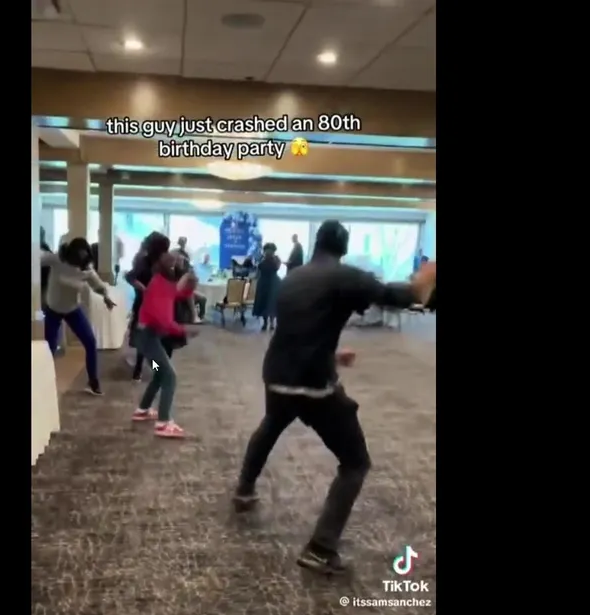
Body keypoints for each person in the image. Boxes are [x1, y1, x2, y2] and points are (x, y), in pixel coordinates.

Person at [233, 220, 437, 575]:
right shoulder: (345, 276)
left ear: (317, 243)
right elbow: (392, 296)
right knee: (355, 462)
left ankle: (244, 489)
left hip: (276, 375)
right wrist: (423, 283)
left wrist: (331, 353)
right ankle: (321, 548)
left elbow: (303, 329)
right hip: (312, 384)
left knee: (273, 422)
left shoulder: (294, 276)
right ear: (343, 247)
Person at [40, 234, 117, 396]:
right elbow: (39, 259)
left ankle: (93, 381)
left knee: (90, 342)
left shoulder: (86, 270)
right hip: (53, 309)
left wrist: (106, 297)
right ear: (71, 253)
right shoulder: (57, 260)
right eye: (77, 256)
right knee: (50, 347)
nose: (80, 260)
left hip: (72, 310)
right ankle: (43, 381)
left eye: (83, 257)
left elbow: (98, 285)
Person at [133, 251, 198, 439]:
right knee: (169, 375)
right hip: (147, 340)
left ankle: (142, 410)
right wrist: (186, 331)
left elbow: (176, 293)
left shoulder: (162, 282)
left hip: (147, 341)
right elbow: (166, 322)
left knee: (160, 372)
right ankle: (163, 423)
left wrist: (189, 288)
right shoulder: (160, 286)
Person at [126, 232, 171, 382]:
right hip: (144, 306)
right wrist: (144, 289)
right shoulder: (143, 261)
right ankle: (144, 369)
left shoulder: (163, 263)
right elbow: (130, 276)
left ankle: (152, 368)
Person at [253, 243, 282, 332]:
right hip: (268, 283)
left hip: (269, 283)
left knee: (269, 303)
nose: (268, 252)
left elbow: (275, 267)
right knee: (266, 303)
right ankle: (268, 323)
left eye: (270, 250)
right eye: (267, 250)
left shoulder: (273, 260)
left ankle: (269, 323)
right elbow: (259, 269)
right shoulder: (266, 259)